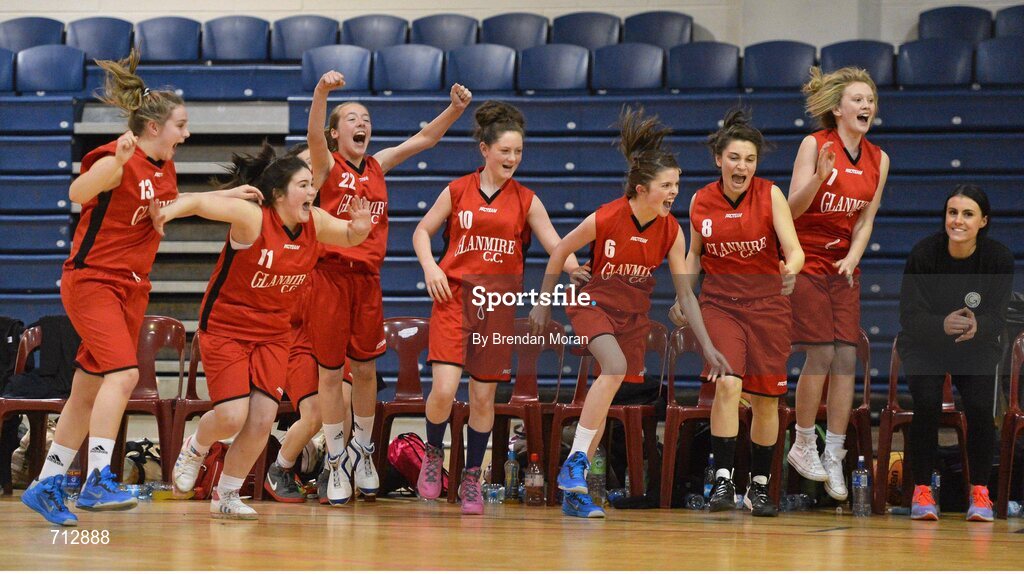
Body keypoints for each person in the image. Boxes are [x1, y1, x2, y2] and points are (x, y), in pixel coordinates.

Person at [20, 50, 259, 527]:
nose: (186, 133)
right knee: (124, 377)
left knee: (87, 390)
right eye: (181, 125)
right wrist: (116, 164)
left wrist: (227, 196)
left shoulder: (162, 167)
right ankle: (97, 480)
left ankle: (45, 484)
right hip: (94, 281)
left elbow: (175, 204)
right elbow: (79, 192)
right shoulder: (118, 156)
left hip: (132, 288)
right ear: (154, 127)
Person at [530, 107, 730, 519]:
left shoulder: (672, 230)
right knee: (614, 367)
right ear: (640, 188)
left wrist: (707, 345)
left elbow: (686, 296)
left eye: (677, 184)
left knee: (607, 396)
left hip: (632, 319)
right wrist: (543, 300)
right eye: (666, 185)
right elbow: (561, 250)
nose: (674, 192)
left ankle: (575, 489)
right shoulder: (606, 217)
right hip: (593, 304)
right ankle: (575, 464)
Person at [163, 144, 372, 519]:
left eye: (312, 186)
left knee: (261, 421)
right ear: (278, 194)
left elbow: (351, 237)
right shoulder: (251, 218)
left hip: (275, 334)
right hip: (228, 328)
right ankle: (194, 448)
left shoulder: (316, 223)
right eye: (304, 185)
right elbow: (196, 204)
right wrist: (168, 210)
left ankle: (226, 495)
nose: (312, 192)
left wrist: (359, 228)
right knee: (230, 415)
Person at [305, 71, 472, 505]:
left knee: (365, 370)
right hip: (329, 277)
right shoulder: (324, 166)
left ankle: (362, 451)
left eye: (366, 118)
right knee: (328, 373)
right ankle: (335, 459)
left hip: (367, 281)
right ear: (335, 131)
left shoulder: (378, 164)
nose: (362, 123)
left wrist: (454, 109)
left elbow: (424, 141)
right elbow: (313, 135)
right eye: (352, 119)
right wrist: (322, 93)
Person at [412, 101, 581, 515]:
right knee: (445, 390)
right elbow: (421, 230)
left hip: (497, 307)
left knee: (484, 400)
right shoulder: (456, 190)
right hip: (453, 299)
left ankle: (472, 475)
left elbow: (556, 245)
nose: (512, 158)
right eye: (505, 150)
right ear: (485, 149)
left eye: (518, 152)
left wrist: (576, 269)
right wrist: (431, 265)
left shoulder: (526, 200)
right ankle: (433, 454)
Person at [671, 109, 804, 517]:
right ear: (719, 160)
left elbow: (794, 249)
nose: (741, 166)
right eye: (734, 158)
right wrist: (683, 293)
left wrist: (791, 269)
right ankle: (724, 480)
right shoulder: (700, 200)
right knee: (728, 384)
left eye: (749, 159)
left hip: (768, 308)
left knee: (767, 402)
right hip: (721, 305)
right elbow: (695, 254)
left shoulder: (771, 195)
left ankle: (759, 486)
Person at [786, 67, 889, 501]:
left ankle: (834, 451)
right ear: (837, 108)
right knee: (823, 352)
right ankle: (803, 440)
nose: (867, 106)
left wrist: (853, 256)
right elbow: (788, 210)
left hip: (842, 264)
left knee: (848, 356)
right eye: (858, 99)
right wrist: (817, 177)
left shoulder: (879, 159)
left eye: (870, 99)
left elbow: (865, 220)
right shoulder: (814, 144)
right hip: (805, 258)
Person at [898, 185, 1013, 522]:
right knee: (927, 403)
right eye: (952, 213)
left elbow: (998, 314)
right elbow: (909, 316)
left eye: (967, 214)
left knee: (979, 407)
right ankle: (921, 490)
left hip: (974, 345)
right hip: (926, 344)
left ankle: (980, 492)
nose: (957, 221)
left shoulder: (998, 258)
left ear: (983, 221)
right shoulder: (924, 254)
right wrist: (941, 324)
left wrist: (980, 326)